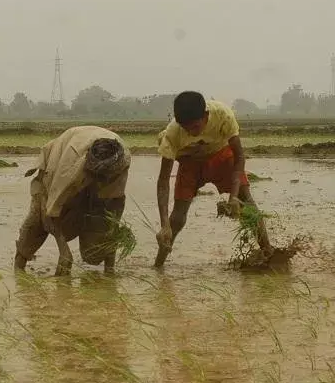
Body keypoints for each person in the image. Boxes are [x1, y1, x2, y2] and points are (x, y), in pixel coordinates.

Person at [155, 91, 271, 268]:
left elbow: (239, 156)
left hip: (221, 155)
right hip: (189, 161)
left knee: (246, 201)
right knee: (177, 218)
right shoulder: (171, 134)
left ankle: (268, 253)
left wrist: (233, 197)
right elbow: (163, 181)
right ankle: (158, 264)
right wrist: (164, 224)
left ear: (206, 116)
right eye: (185, 128)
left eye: (194, 127)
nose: (190, 132)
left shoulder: (223, 115)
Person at [14, 126, 131, 276]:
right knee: (36, 223)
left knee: (95, 248)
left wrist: (110, 270)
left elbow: (113, 213)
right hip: (62, 156)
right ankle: (18, 269)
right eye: (97, 178)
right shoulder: (68, 169)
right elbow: (49, 211)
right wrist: (63, 250)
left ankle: (102, 261)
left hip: (97, 157)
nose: (100, 184)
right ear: (89, 169)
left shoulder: (121, 163)